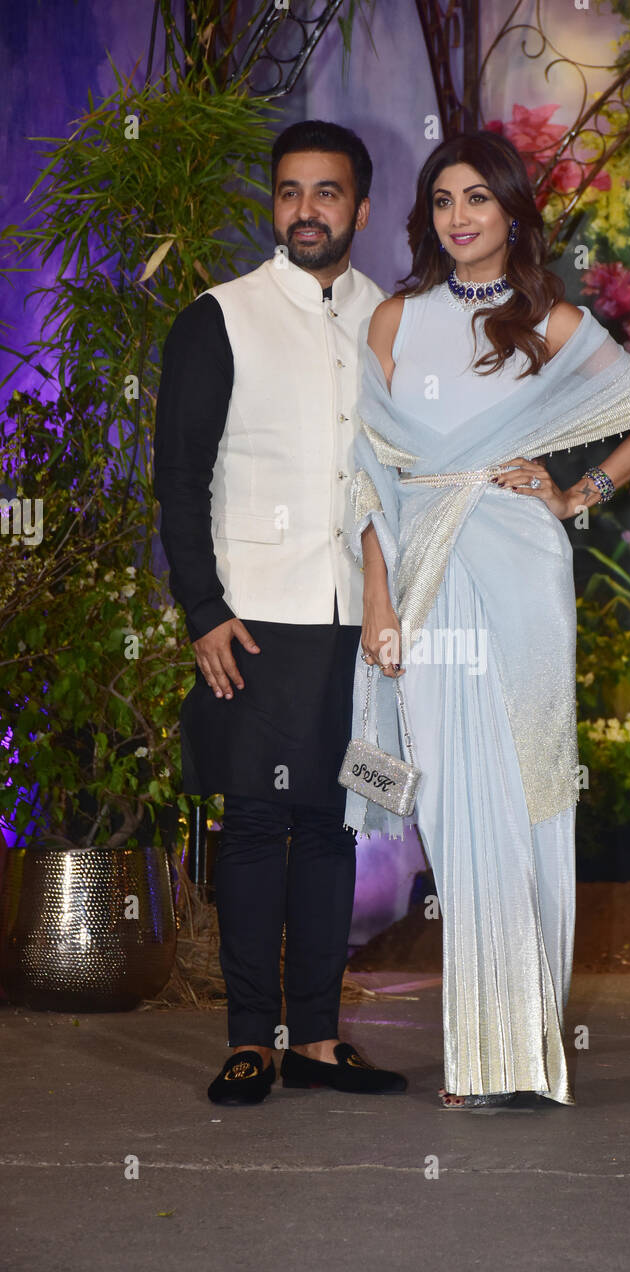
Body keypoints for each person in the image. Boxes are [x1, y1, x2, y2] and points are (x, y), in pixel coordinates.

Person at [342, 130, 630, 1108]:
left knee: (537, 791)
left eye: (477, 200)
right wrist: (377, 601)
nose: (459, 217)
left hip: (524, 567)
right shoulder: (395, 321)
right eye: (443, 200)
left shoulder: (554, 321)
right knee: (452, 802)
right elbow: (369, 478)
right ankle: (484, 1046)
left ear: (511, 213)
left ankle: (524, 1050)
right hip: (424, 571)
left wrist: (581, 493)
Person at [153, 120, 406, 1105]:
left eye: (328, 192)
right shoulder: (220, 317)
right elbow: (180, 480)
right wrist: (204, 610)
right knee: (257, 823)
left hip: (357, 621)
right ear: (275, 203)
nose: (307, 209)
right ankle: (252, 1036)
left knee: (337, 824)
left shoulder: (389, 320)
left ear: (361, 207)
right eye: (291, 191)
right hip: (254, 620)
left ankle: (319, 1037)